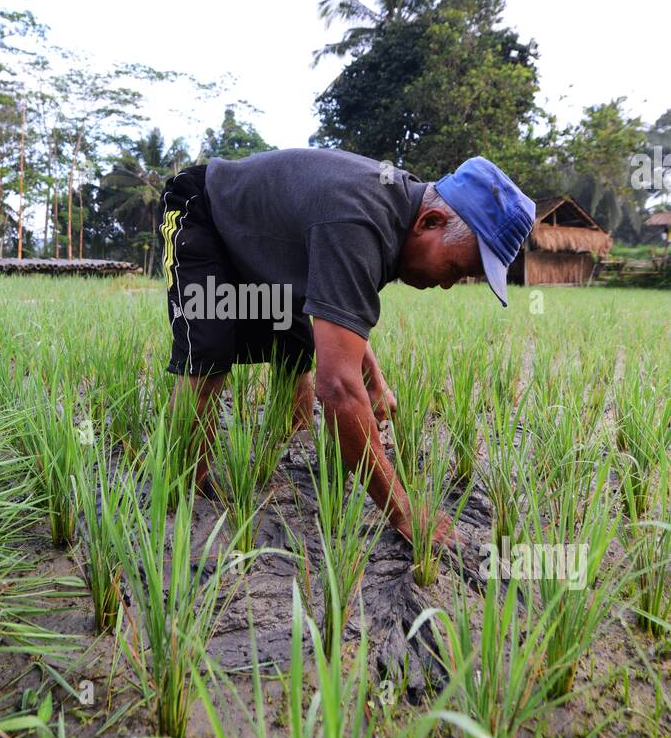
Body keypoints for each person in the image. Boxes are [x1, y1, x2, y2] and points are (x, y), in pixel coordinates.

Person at [158, 149, 535, 547]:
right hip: (204, 215)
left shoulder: (396, 207)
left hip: (272, 242)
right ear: (431, 221)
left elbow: (338, 305)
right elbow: (337, 388)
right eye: (456, 269)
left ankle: (290, 459)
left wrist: (374, 378)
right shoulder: (359, 221)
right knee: (208, 354)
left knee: (297, 340)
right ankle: (178, 503)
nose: (447, 284)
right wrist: (404, 512)